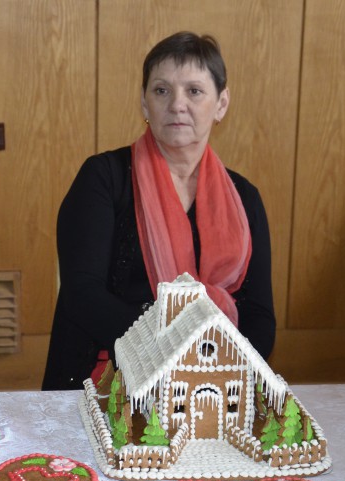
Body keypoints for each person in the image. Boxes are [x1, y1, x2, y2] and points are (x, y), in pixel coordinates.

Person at [42, 31, 275, 390]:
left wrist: (213, 370)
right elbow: (83, 296)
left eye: (194, 91)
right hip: (108, 379)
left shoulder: (246, 198)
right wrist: (178, 353)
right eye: (162, 90)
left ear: (221, 104)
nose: (177, 104)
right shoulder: (103, 178)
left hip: (217, 381)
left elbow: (259, 316)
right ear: (144, 103)